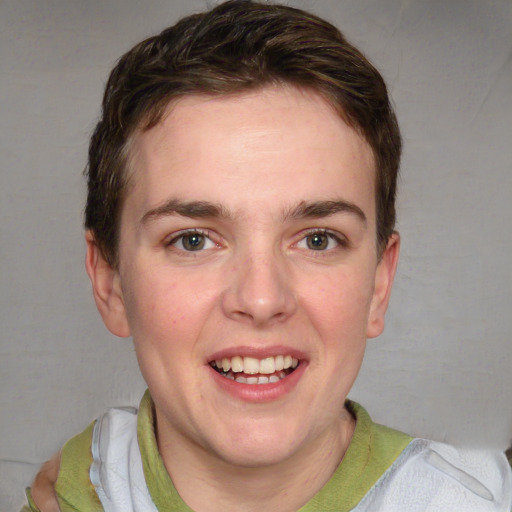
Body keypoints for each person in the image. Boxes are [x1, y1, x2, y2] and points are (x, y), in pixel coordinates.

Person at [23, 1, 512, 511]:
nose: (260, 299)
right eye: (193, 240)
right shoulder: (76, 489)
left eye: (318, 239)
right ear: (110, 282)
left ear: (379, 283)